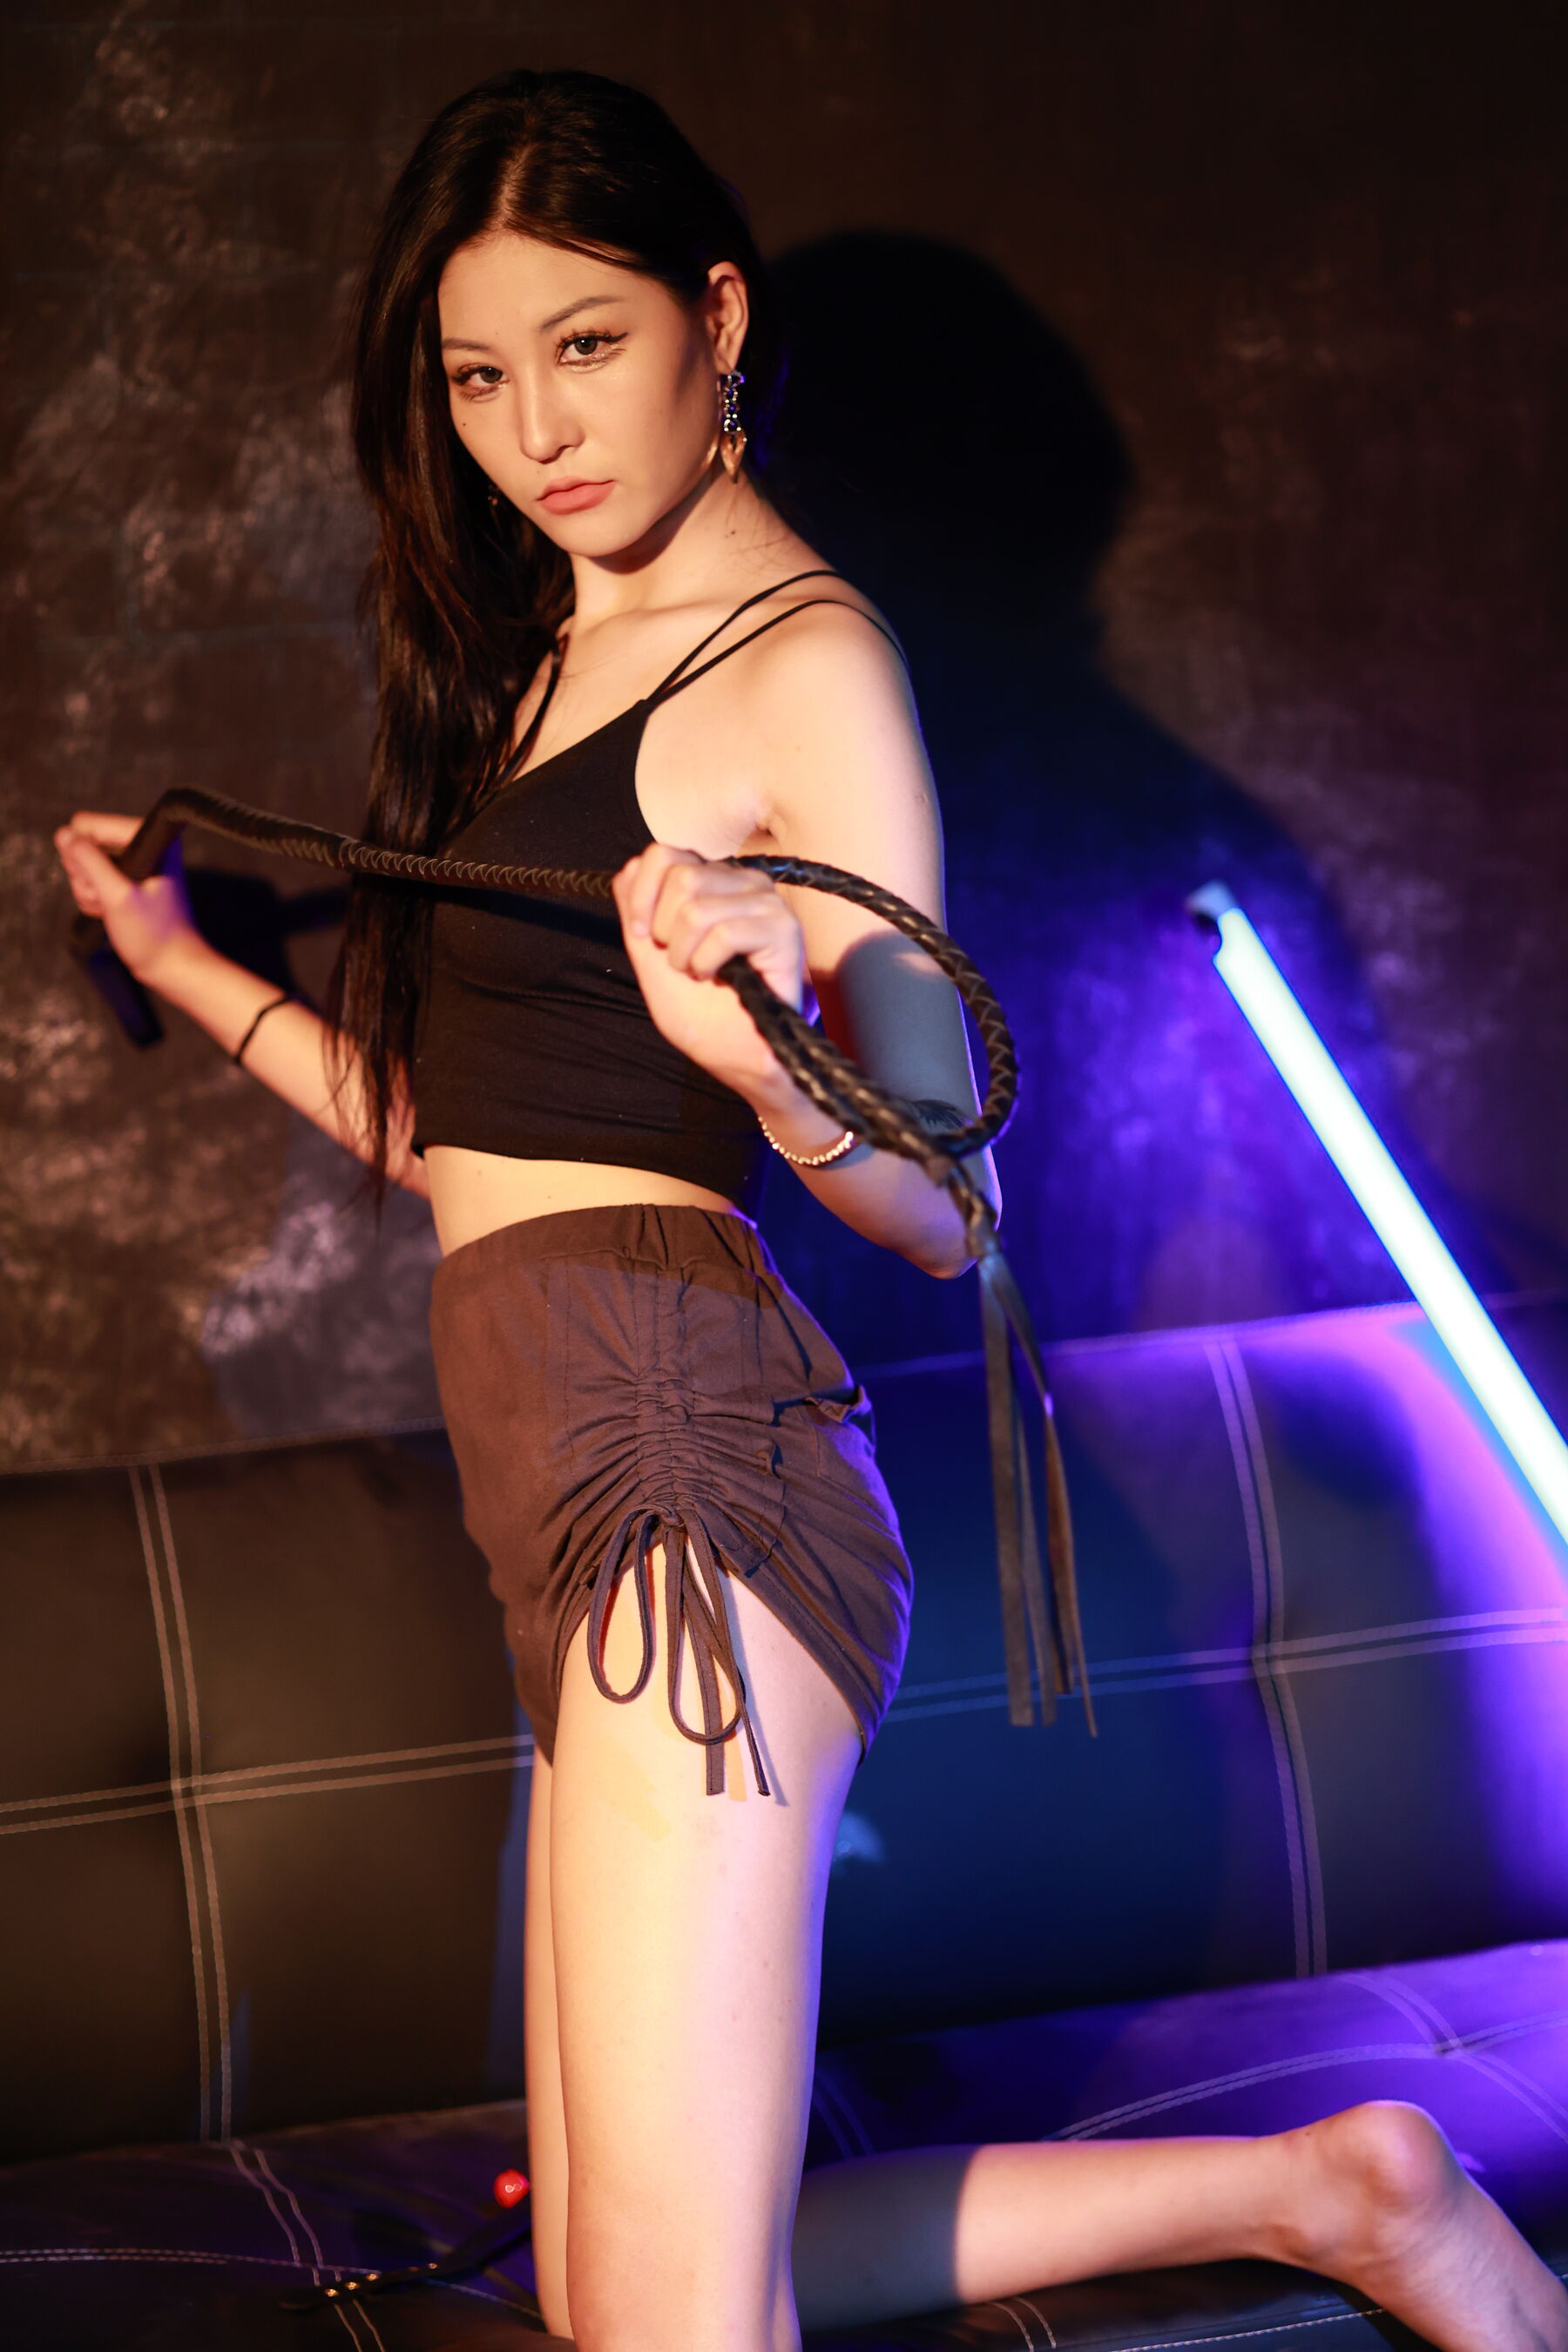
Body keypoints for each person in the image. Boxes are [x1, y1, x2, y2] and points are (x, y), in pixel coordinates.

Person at [53, 64, 1567, 2352]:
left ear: (718, 319)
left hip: (691, 1485)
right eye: (478, 375)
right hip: (557, 1498)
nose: (539, 428)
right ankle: (1336, 2185)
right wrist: (188, 969)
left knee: (671, 2325)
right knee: (619, 2290)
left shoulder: (808, 665)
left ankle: (1348, 2192)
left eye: (589, 345)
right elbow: (468, 1142)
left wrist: (762, 1045)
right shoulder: (541, 656)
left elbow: (950, 1199)